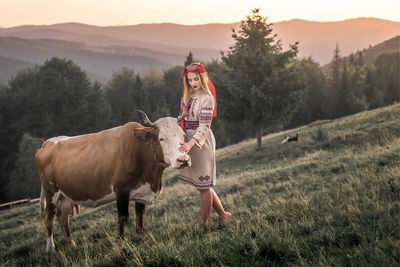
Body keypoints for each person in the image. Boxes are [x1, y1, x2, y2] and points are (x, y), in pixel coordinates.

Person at [178, 62, 231, 224]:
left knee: (203, 185)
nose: (193, 83)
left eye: (196, 79)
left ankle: (203, 223)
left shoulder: (207, 98)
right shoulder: (187, 96)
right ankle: (223, 214)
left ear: (203, 78)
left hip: (201, 142)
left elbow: (205, 125)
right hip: (187, 139)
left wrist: (191, 143)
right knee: (202, 184)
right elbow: (182, 118)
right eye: (190, 80)